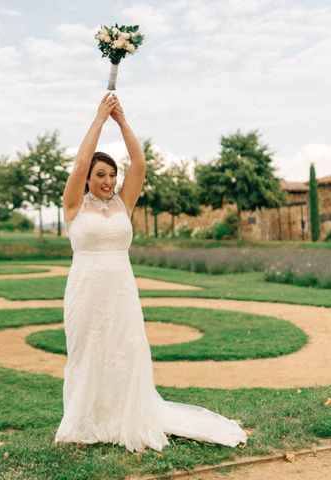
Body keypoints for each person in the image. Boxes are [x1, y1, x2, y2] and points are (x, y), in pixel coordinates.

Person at [54, 93, 247, 451]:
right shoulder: (74, 206)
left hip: (121, 289)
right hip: (86, 289)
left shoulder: (122, 203)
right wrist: (98, 120)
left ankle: (125, 418)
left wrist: (122, 122)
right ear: (86, 180)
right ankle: (83, 422)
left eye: (111, 174)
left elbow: (139, 164)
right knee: (87, 351)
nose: (108, 180)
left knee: (125, 350)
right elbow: (81, 161)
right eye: (100, 175)